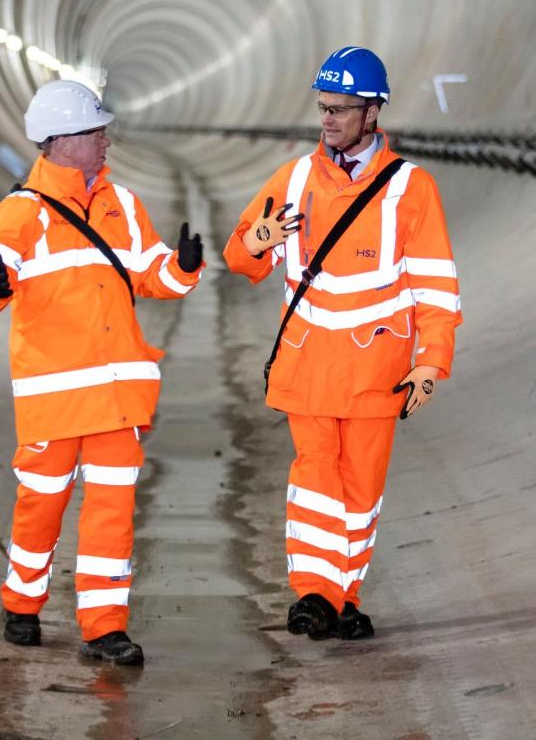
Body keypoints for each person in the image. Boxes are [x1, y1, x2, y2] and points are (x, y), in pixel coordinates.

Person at [222, 47, 461, 640]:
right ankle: (314, 594)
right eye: (323, 108)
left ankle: (342, 595)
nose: (327, 120)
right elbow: (239, 257)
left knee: (361, 490)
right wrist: (259, 237)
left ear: (372, 113)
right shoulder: (295, 180)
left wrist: (431, 364)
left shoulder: (410, 189)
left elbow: (435, 287)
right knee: (315, 481)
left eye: (341, 110)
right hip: (307, 366)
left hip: (376, 371)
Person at [0, 80, 204, 665]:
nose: (106, 140)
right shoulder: (21, 213)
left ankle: (104, 626)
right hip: (55, 398)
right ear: (63, 141)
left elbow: (152, 275)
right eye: (96, 131)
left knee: (112, 512)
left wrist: (184, 268)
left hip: (116, 396)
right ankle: (22, 604)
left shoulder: (122, 205)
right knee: (41, 503)